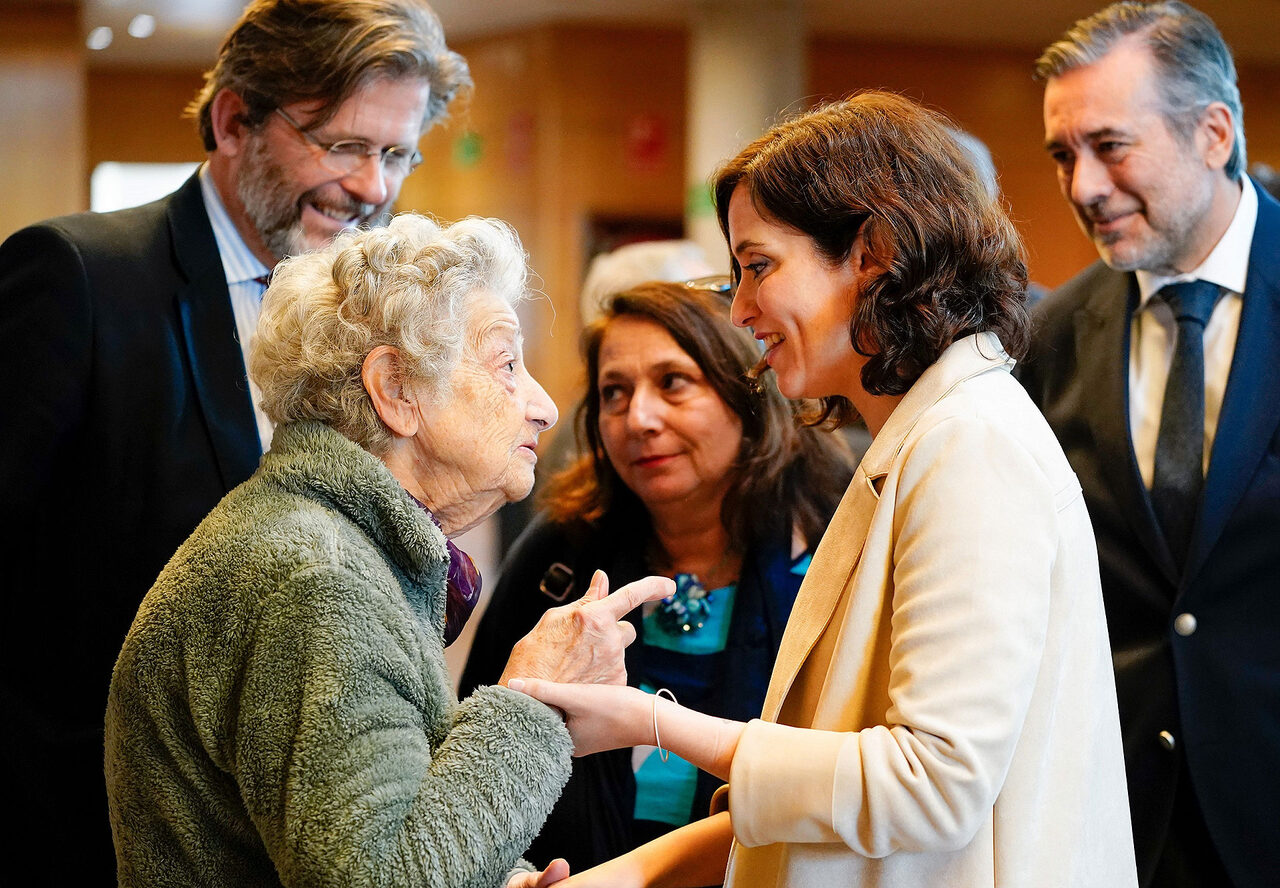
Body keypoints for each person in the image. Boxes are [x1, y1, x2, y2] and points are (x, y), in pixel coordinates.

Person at [510, 92, 1137, 888]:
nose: (740, 309)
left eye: (758, 266)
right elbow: (842, 782)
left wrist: (652, 721)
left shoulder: (969, 442)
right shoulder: (927, 436)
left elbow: (929, 786)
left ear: (872, 252)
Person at [0, 0, 468, 878]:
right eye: (342, 145)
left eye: (395, 153)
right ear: (232, 121)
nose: (373, 188)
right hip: (78, 827)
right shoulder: (79, 279)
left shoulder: (373, 325)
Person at [105, 213, 673, 887]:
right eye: (507, 364)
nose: (545, 406)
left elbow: (381, 821)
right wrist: (533, 700)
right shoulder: (316, 578)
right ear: (396, 391)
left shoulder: (327, 545)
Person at [461, 280, 853, 871]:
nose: (638, 418)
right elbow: (474, 754)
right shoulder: (558, 560)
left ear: (747, 393)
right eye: (614, 393)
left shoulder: (833, 551)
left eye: (673, 383)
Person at [1022, 4, 1280, 887]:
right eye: (1064, 155)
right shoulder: (1052, 333)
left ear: (1213, 134)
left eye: (1110, 145)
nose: (1083, 185)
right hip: (1117, 821)